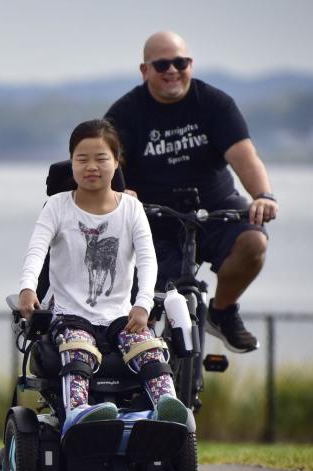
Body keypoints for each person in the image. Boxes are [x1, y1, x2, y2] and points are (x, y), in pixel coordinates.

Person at [105, 31, 279, 353]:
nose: (172, 70)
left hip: (213, 208)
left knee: (254, 242)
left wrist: (263, 196)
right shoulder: (125, 114)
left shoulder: (215, 104)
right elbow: (110, 167)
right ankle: (141, 363)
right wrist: (119, 193)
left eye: (180, 62)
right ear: (145, 71)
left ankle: (223, 312)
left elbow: (245, 156)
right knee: (149, 294)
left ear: (190, 65)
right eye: (161, 65)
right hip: (152, 217)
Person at [17, 119, 188, 433]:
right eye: (82, 159)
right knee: (77, 350)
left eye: (101, 159)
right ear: (72, 163)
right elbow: (36, 251)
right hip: (70, 315)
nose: (91, 167)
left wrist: (144, 304)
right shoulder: (57, 206)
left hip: (121, 315)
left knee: (148, 348)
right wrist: (27, 288)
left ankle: (168, 408)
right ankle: (79, 413)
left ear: (116, 161)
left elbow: (148, 261)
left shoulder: (132, 209)